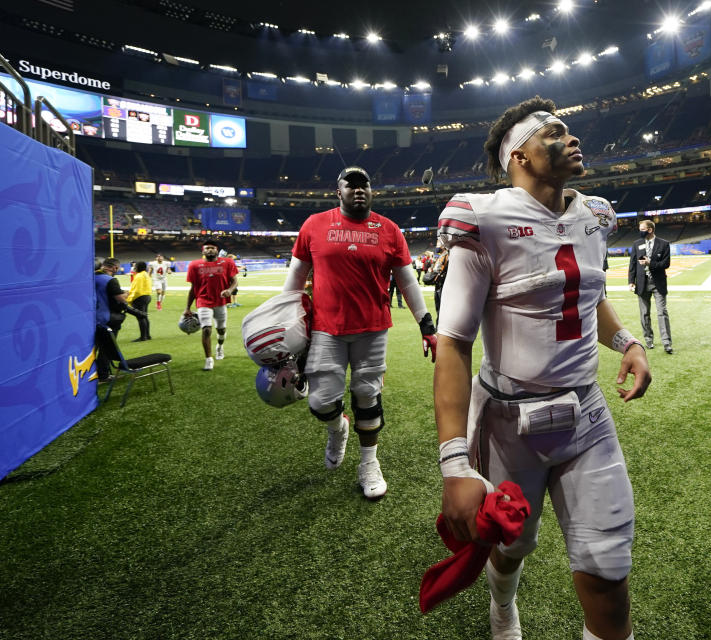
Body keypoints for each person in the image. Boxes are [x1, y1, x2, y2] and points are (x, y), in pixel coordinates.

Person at [434, 97, 651, 640]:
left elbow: (584, 294)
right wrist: (454, 465)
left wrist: (626, 341)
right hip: (509, 420)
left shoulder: (594, 215)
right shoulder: (482, 220)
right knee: (511, 546)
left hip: (587, 413)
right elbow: (454, 343)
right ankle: (503, 604)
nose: (571, 137)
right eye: (554, 132)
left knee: (608, 571)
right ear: (520, 157)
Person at [282, 166, 438, 500]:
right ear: (337, 192)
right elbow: (297, 275)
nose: (357, 190)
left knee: (368, 397)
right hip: (326, 329)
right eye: (349, 185)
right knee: (321, 400)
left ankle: (369, 462)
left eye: (363, 184)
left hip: (372, 329)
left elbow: (407, 280)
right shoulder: (314, 224)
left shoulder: (389, 229)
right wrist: (287, 318)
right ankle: (338, 427)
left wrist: (426, 324)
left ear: (371, 191)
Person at [184, 241, 238, 370]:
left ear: (217, 250)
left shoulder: (227, 262)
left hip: (220, 301)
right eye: (207, 248)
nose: (209, 250)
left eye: (212, 248)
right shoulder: (194, 265)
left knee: (221, 330)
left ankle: (219, 346)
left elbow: (235, 281)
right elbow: (193, 288)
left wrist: (229, 291)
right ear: (203, 251)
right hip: (203, 301)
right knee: (206, 329)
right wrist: (187, 307)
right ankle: (209, 359)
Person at [628, 219, 673, 354]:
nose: (640, 231)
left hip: (658, 283)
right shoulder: (637, 244)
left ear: (650, 229)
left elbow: (666, 264)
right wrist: (631, 281)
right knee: (644, 313)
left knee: (662, 313)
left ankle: (667, 343)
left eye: (642, 229)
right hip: (642, 283)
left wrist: (650, 263)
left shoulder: (664, 244)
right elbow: (633, 264)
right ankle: (648, 339)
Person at [95, 258, 128, 381]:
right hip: (106, 318)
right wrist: (126, 294)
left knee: (94, 347)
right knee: (106, 349)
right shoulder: (110, 280)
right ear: (115, 268)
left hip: (91, 318)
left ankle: (90, 372)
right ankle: (103, 375)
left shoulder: (92, 276)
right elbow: (120, 298)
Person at [126, 261, 152, 341]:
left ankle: (143, 337)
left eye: (135, 266)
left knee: (140, 317)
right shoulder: (145, 274)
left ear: (138, 267)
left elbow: (136, 290)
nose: (134, 268)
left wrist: (129, 299)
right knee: (144, 316)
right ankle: (147, 335)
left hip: (140, 297)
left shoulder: (139, 276)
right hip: (147, 296)